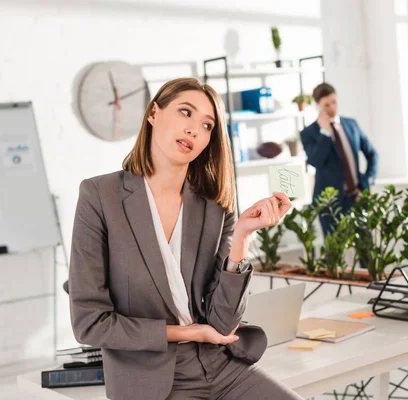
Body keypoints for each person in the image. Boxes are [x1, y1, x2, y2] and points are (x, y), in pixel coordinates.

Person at [68, 77, 302, 400]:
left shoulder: (215, 209)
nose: (195, 129)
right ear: (153, 113)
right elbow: (89, 323)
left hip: (219, 365)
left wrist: (242, 239)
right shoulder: (99, 196)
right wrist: (186, 332)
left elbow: (223, 324)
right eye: (185, 112)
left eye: (207, 125)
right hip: (153, 379)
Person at [300, 83, 378, 236]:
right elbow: (316, 162)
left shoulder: (351, 124)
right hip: (329, 204)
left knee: (366, 250)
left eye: (334, 102)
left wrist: (368, 181)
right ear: (318, 106)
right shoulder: (309, 133)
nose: (332, 108)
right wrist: (325, 132)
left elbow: (372, 154)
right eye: (326, 105)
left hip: (357, 198)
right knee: (334, 254)